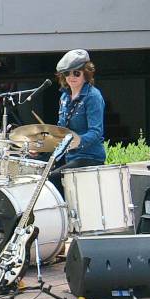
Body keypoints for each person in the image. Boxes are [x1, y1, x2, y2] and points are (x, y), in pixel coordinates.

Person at [49, 49, 106, 196]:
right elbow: (61, 131)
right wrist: (42, 144)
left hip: (90, 158)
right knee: (41, 174)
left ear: (86, 73)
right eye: (67, 73)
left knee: (53, 179)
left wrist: (76, 141)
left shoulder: (93, 96)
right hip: (70, 157)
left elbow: (96, 132)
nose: (71, 77)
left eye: (76, 73)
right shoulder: (64, 97)